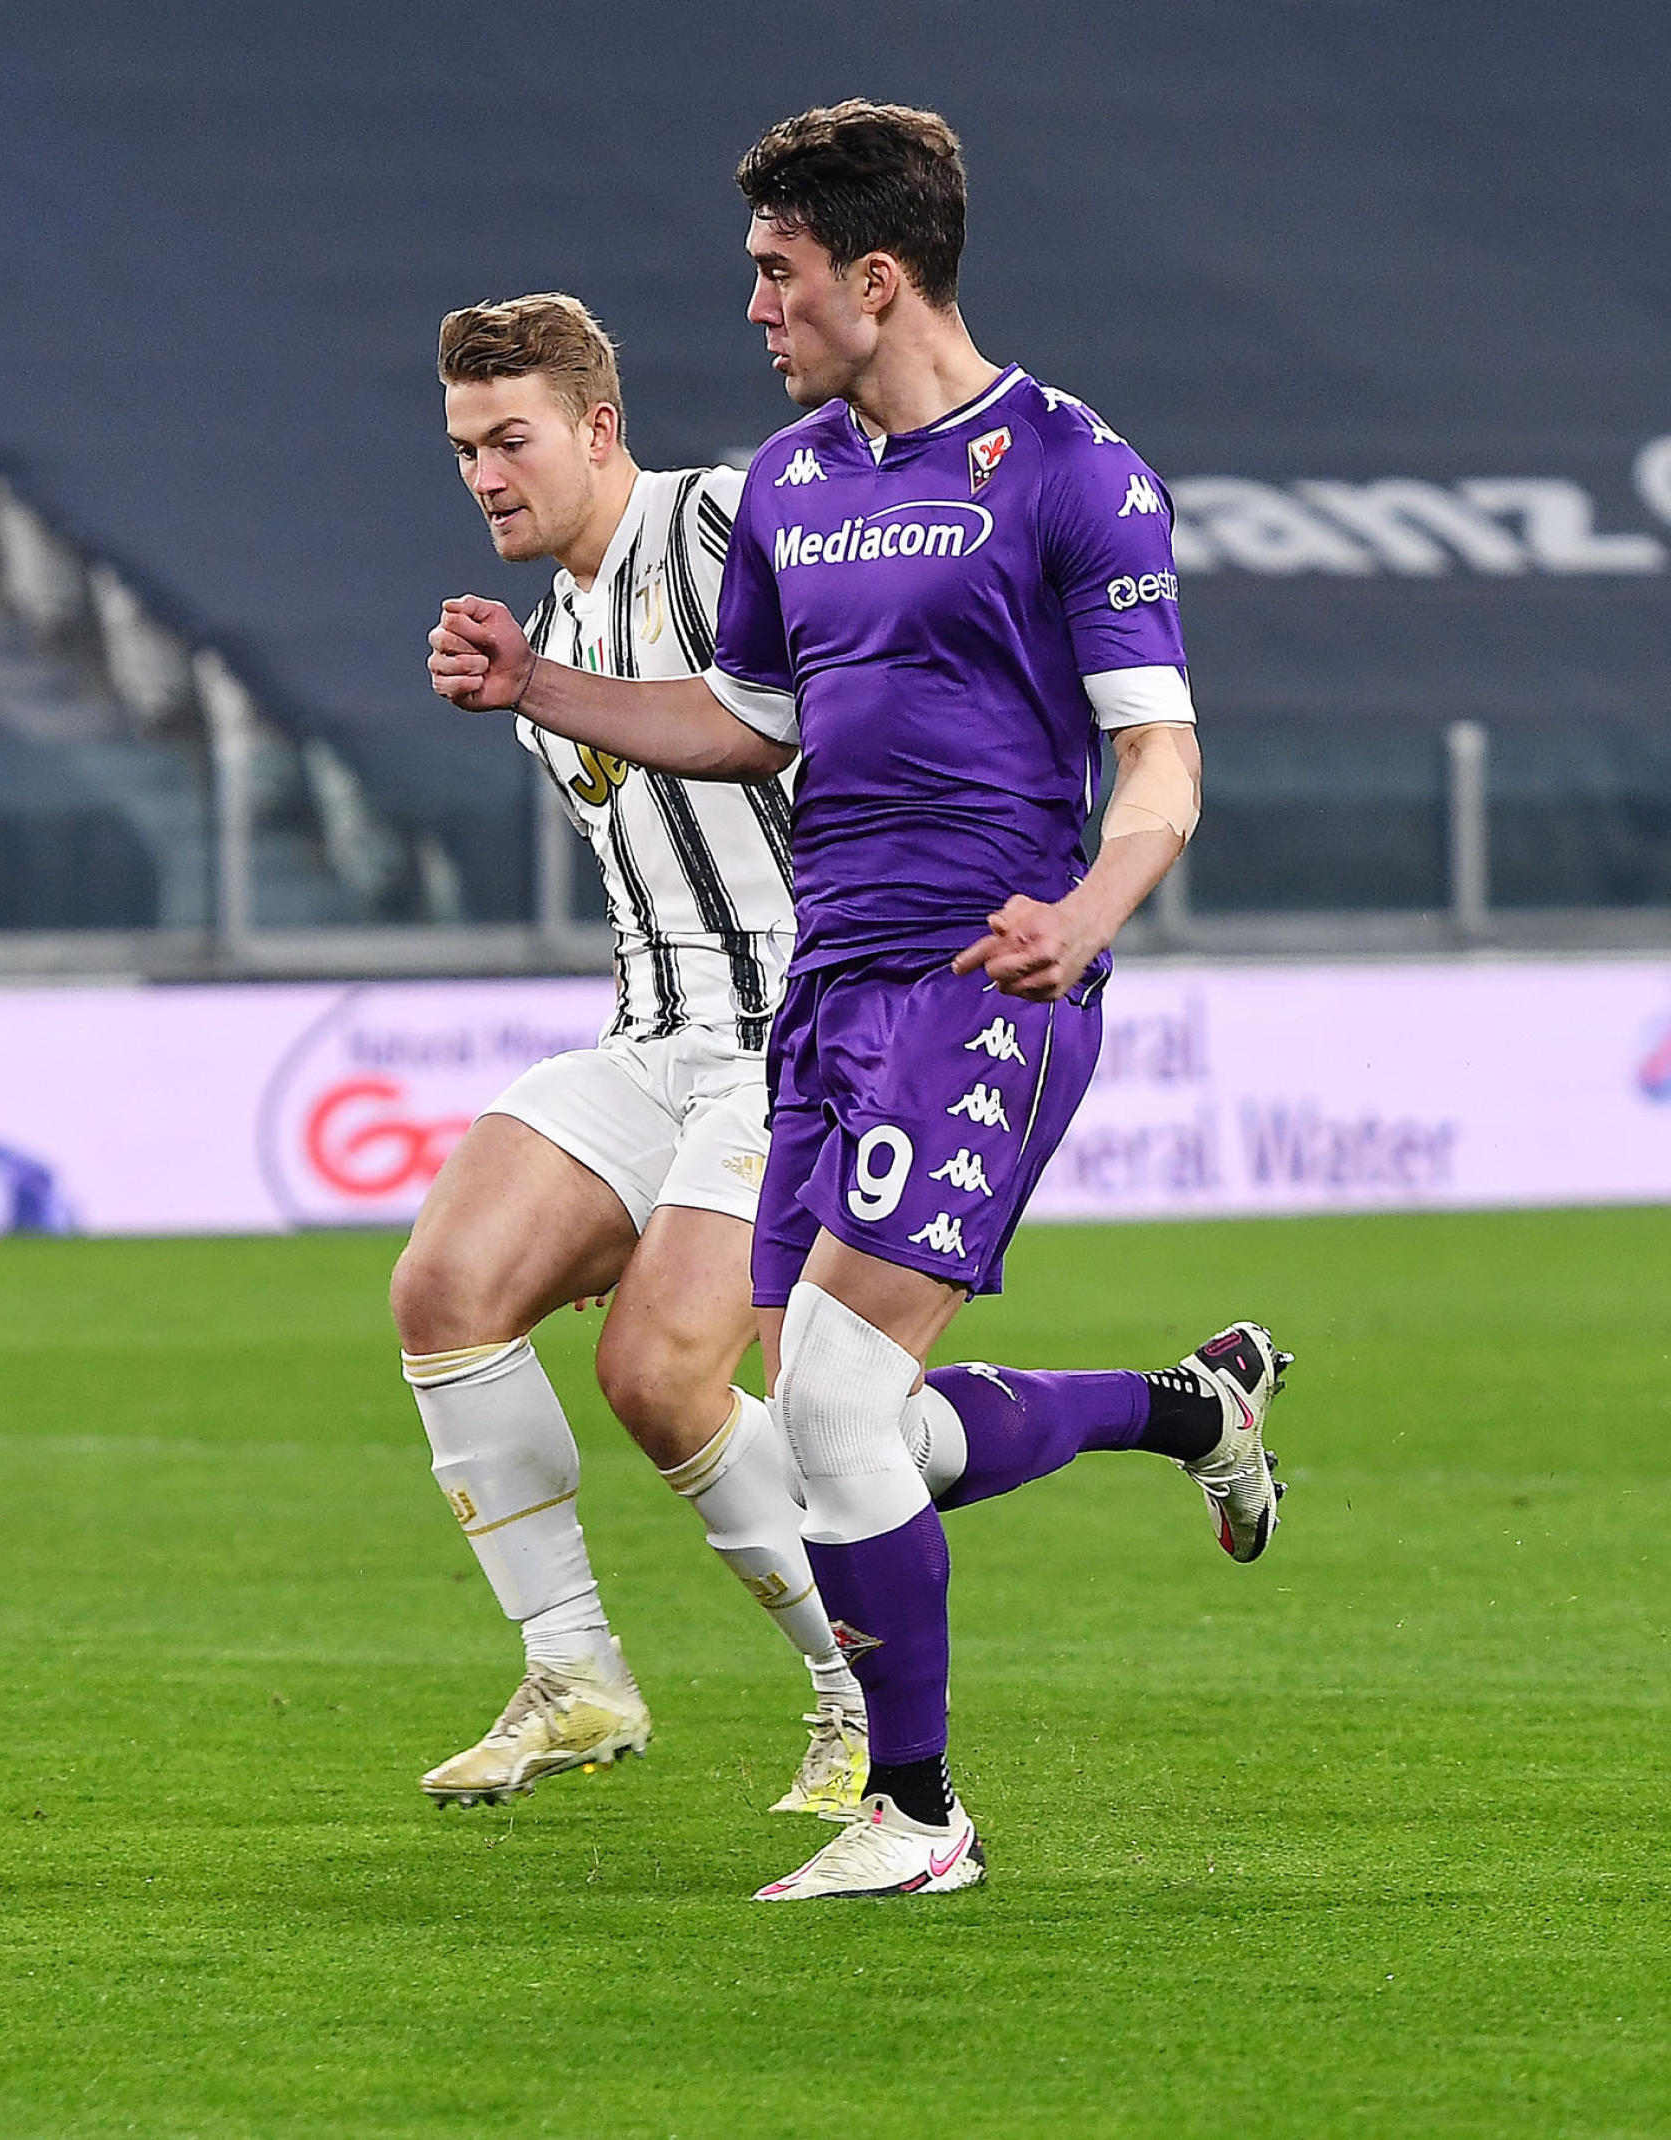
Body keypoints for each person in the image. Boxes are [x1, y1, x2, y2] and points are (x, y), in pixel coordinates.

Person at [428, 103, 1290, 1898]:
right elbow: (748, 726)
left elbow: (1161, 762)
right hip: (823, 993)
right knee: (868, 1432)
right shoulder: (797, 486)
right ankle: (1188, 1411)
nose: (750, 306)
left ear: (871, 276)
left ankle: (914, 1814)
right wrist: (541, 687)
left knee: (814, 1413)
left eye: (773, 271)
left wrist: (1086, 907)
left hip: (986, 980)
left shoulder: (1071, 469)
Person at [402, 292, 862, 1814]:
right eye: (465, 445)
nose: (482, 473)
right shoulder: (554, 625)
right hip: (656, 1036)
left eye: (511, 438)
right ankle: (577, 1671)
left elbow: (786, 724)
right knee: (445, 1290)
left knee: (662, 1373)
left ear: (600, 428)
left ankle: (859, 1697)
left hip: (802, 1037)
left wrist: (532, 688)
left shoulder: (719, 528)